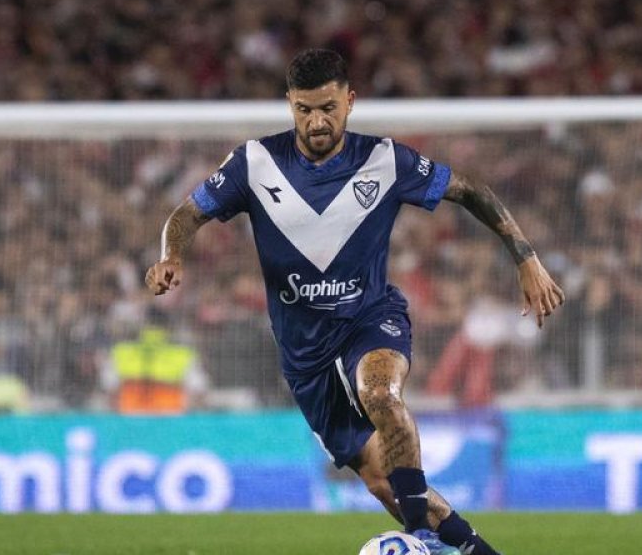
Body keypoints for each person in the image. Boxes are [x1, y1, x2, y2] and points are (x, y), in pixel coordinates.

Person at [146, 49, 563, 555]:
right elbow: (187, 213)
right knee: (382, 481)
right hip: (303, 352)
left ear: (349, 100)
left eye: (327, 107)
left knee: (381, 393)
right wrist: (171, 256)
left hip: (370, 317)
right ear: (289, 105)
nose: (316, 121)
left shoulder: (386, 160)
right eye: (303, 109)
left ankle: (421, 540)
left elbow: (470, 190)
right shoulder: (254, 163)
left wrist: (526, 259)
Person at [101, 309, 208, 415]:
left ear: (141, 325)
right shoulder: (183, 354)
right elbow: (198, 390)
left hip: (130, 419)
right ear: (168, 327)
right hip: (170, 420)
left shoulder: (121, 352)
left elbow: (109, 388)